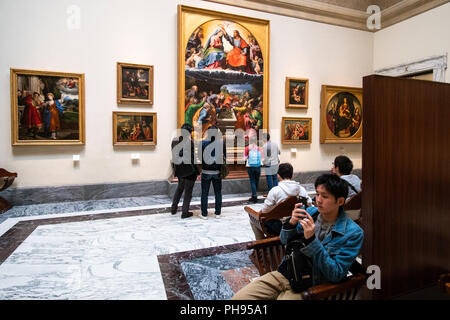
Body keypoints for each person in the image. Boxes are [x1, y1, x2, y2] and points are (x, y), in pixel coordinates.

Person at [232, 173, 364, 300]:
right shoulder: (310, 213)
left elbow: (336, 274)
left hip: (311, 283)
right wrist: (290, 224)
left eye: (324, 196)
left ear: (340, 201)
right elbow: (284, 240)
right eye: (317, 194)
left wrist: (312, 240)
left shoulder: (353, 233)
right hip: (286, 272)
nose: (318, 200)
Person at [250, 163, 313, 240]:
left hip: (280, 227)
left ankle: (261, 244)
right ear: (292, 175)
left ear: (278, 175)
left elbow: (265, 211)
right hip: (299, 224)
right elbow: (309, 204)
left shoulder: (275, 191)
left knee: (253, 219)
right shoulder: (301, 189)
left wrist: (258, 213)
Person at [171, 123, 199, 219]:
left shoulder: (174, 141)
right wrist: (197, 171)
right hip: (189, 170)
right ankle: (184, 212)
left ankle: (173, 208)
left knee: (179, 189)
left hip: (179, 169)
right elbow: (192, 158)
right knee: (188, 192)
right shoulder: (189, 142)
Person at [199, 126, 226, 220]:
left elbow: (199, 157)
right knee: (218, 193)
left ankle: (204, 214)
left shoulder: (202, 143)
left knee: (204, 193)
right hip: (217, 172)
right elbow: (224, 156)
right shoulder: (221, 143)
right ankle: (218, 213)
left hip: (206, 171)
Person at [245, 129, 262, 203]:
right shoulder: (258, 148)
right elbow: (262, 157)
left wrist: (248, 157)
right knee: (256, 181)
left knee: (252, 181)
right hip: (258, 166)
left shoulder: (247, 148)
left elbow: (245, 158)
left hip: (250, 166)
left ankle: (254, 196)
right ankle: (255, 194)